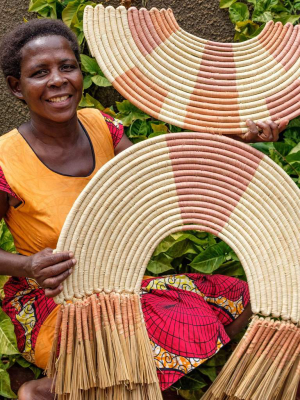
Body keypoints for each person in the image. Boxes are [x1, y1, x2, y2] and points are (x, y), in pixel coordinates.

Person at [0, 18, 288, 400]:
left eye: (67, 66)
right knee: (150, 336)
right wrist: (26, 265)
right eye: (40, 72)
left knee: (244, 298)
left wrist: (238, 135)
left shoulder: (102, 125)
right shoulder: (6, 158)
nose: (57, 80)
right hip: (54, 299)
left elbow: (161, 176)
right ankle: (47, 390)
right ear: (16, 88)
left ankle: (103, 383)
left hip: (119, 284)